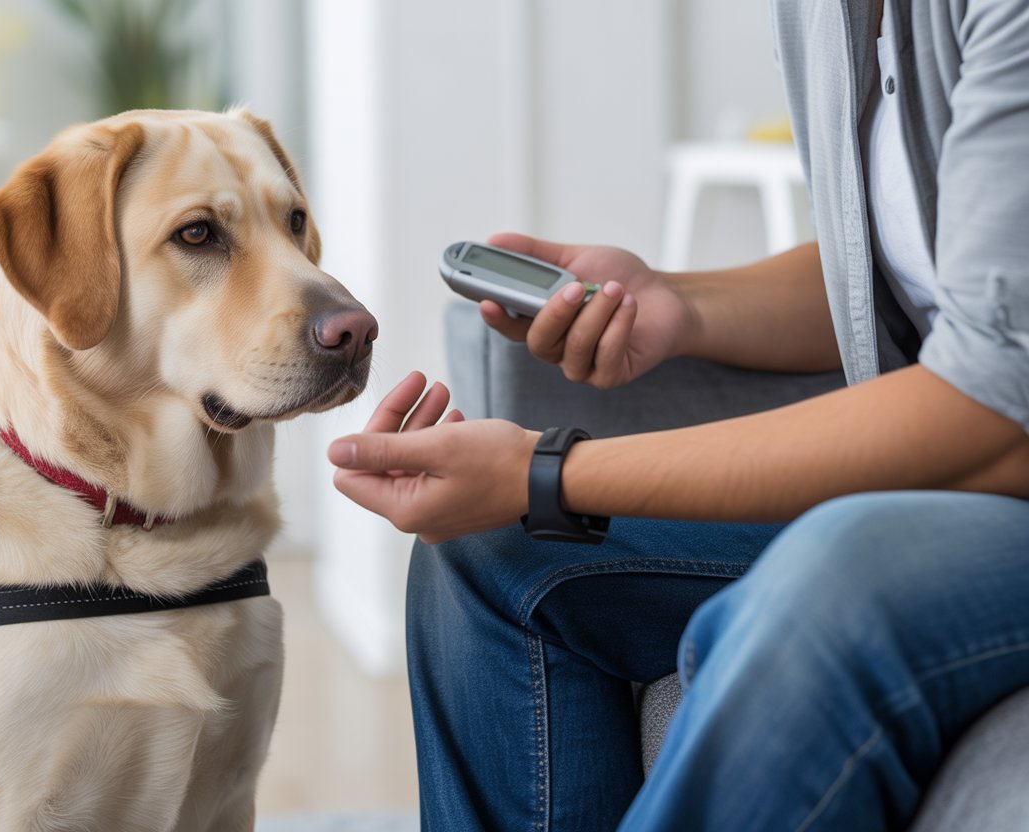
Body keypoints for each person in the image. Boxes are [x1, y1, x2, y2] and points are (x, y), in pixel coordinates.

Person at [327, 1, 1029, 830]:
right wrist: (678, 303)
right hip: (944, 495)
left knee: (831, 581)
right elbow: (915, 268)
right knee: (493, 551)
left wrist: (542, 474)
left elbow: (996, 406)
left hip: (992, 476)